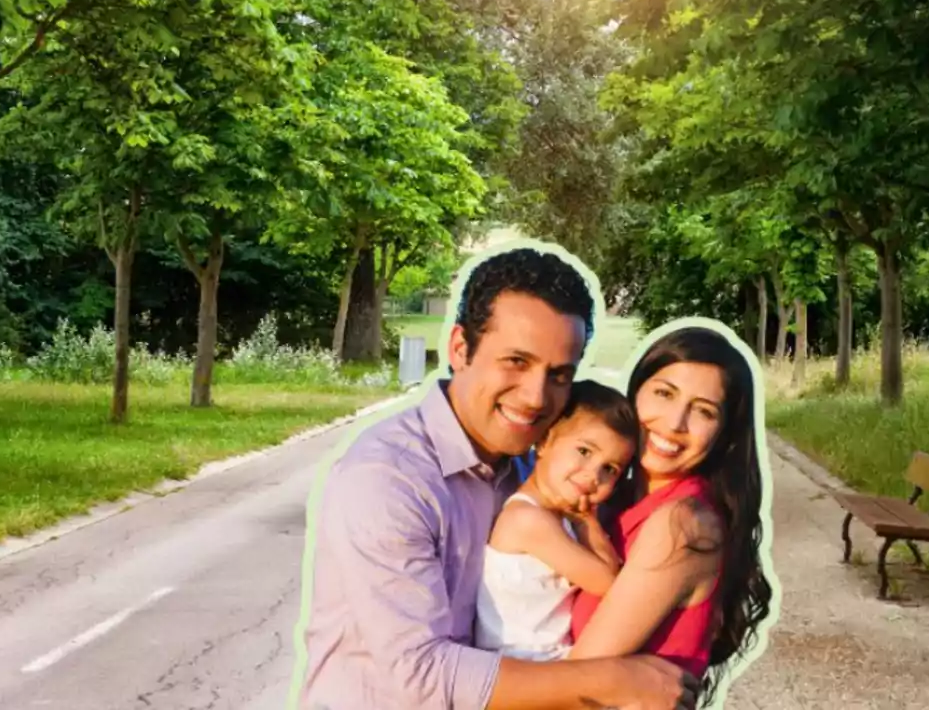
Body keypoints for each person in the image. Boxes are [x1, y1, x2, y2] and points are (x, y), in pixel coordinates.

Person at [293, 246, 699, 710]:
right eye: (516, 362)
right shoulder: (387, 478)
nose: (535, 396)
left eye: (559, 375)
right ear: (460, 349)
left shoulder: (532, 468)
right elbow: (421, 675)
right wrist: (612, 680)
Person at [566, 326, 775, 708]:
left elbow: (577, 681)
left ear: (724, 434)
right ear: (635, 393)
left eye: (704, 411)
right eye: (664, 393)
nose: (675, 423)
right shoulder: (616, 500)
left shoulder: (682, 524)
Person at [473, 380, 639, 662]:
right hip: (521, 664)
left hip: (543, 658)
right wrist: (588, 520)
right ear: (544, 441)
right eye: (584, 451)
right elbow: (609, 582)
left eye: (610, 469)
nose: (592, 476)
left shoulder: (556, 516)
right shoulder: (527, 520)